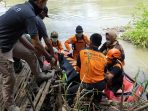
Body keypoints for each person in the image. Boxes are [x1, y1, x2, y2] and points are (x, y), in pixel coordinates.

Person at [0, 0, 54, 110]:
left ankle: (39, 75)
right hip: (2, 45)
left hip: (11, 41)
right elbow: (36, 42)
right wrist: (49, 57)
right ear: (39, 2)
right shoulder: (29, 15)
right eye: (45, 2)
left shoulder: (22, 7)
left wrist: (32, 49)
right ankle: (9, 105)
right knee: (9, 77)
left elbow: (19, 35)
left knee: (30, 54)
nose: (45, 5)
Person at [67, 33, 106, 105]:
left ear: (90, 41)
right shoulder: (104, 57)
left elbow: (78, 69)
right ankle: (97, 101)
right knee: (98, 89)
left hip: (87, 85)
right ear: (100, 44)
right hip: (100, 85)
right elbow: (104, 72)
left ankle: (70, 106)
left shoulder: (82, 52)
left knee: (70, 91)